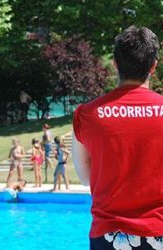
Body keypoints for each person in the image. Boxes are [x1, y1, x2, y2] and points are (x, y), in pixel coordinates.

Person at [73, 26, 163, 248]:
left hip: (109, 236)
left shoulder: (86, 115)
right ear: (154, 66)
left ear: (114, 63)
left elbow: (86, 178)